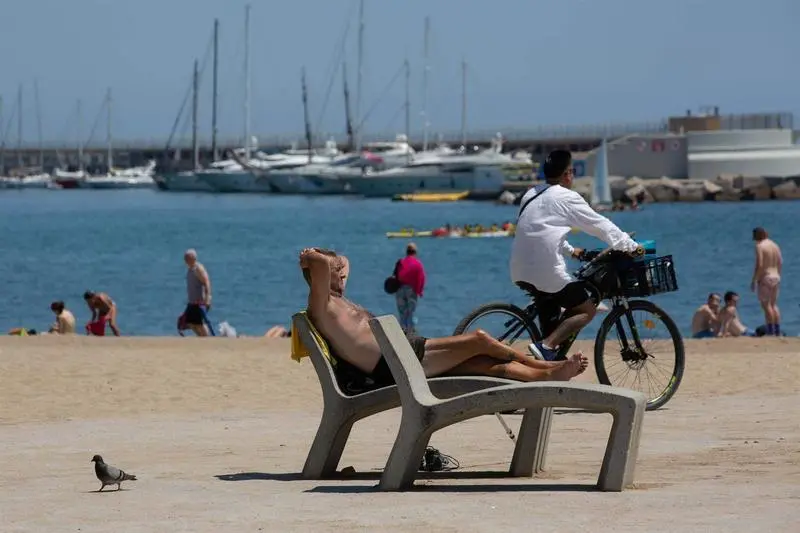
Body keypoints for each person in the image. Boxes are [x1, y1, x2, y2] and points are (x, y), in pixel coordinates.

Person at [299, 247, 587, 385]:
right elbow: (320, 263)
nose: (343, 274)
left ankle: (544, 376)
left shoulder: (339, 299)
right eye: (337, 272)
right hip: (396, 363)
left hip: (403, 354)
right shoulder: (321, 305)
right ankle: (543, 364)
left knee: (482, 363)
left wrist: (334, 263)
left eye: (341, 273)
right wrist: (310, 256)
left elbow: (344, 260)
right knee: (479, 339)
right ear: (319, 276)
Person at [510, 149, 640, 361]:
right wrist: (631, 246)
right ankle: (547, 346)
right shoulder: (567, 197)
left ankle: (549, 359)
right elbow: (600, 225)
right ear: (568, 174)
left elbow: (538, 231)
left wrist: (571, 251)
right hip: (546, 272)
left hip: (518, 269)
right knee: (586, 309)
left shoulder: (530, 194)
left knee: (553, 310)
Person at [751, 227, 782, 336]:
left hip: (765, 277)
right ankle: (777, 331)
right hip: (776, 276)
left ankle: (770, 331)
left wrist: (754, 279)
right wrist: (778, 274)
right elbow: (780, 262)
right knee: (773, 305)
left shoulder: (759, 246)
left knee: (766, 305)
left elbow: (759, 264)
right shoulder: (775, 245)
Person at [395, 242, 426, 335]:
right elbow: (421, 278)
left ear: (406, 252)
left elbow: (397, 275)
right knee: (411, 312)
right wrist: (419, 291)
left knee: (402, 312)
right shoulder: (417, 264)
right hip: (411, 290)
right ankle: (411, 333)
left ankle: (402, 331)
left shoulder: (401, 262)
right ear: (415, 252)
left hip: (400, 289)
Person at [182, 249, 213, 336]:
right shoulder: (190, 269)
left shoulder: (198, 268)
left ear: (193, 258)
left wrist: (208, 298)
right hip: (192, 302)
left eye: (187, 258)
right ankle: (201, 337)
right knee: (190, 323)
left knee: (199, 323)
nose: (185, 260)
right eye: (185, 258)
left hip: (199, 302)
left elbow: (206, 282)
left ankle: (206, 338)